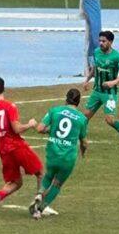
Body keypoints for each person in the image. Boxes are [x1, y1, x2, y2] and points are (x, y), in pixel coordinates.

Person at [0, 77, 43, 216]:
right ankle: (39, 206)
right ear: (4, 88)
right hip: (17, 146)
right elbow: (16, 129)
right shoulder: (9, 106)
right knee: (41, 173)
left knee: (16, 182)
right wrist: (30, 124)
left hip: (3, 150)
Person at [30, 88, 89, 220]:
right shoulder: (82, 119)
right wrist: (83, 153)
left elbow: (40, 128)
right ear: (78, 102)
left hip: (53, 153)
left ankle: (39, 193)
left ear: (66, 99)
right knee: (57, 184)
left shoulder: (54, 111)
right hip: (68, 158)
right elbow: (84, 143)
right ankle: (39, 210)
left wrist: (50, 130)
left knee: (48, 175)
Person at [83, 31, 119, 152]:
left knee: (109, 120)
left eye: (103, 41)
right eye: (100, 40)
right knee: (84, 117)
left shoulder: (117, 57)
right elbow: (94, 68)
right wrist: (87, 80)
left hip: (110, 93)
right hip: (97, 91)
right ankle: (80, 139)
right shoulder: (96, 52)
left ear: (110, 42)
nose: (100, 43)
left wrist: (112, 82)